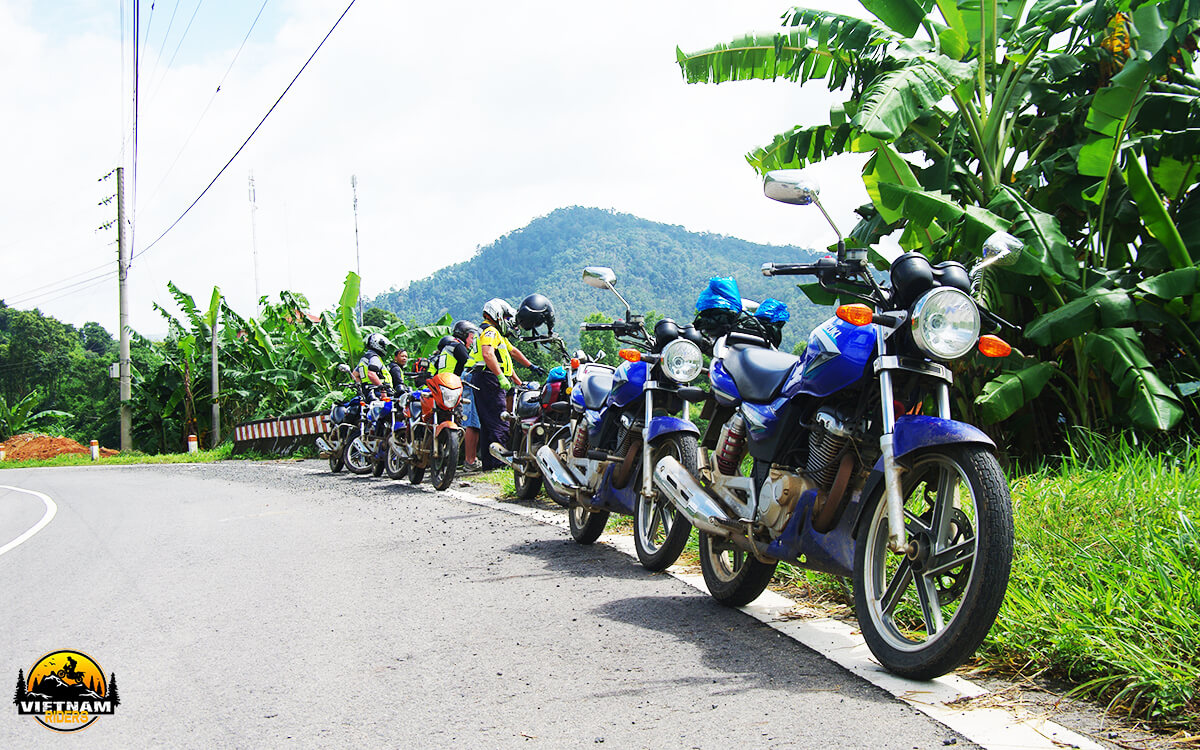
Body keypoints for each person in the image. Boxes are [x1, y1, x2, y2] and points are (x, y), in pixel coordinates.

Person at [466, 299, 543, 470]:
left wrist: (530, 367)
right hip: (489, 379)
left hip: (485, 378)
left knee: (488, 423)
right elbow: (488, 355)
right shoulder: (490, 331)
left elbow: (512, 353)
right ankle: (500, 463)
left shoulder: (492, 332)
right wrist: (500, 377)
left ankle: (489, 464)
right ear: (498, 314)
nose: (508, 321)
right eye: (507, 316)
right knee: (500, 421)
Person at [430, 321, 483, 470]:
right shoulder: (457, 346)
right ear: (464, 335)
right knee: (464, 421)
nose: (472, 341)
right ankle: (469, 460)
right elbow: (469, 364)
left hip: (440, 387)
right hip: (451, 388)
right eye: (471, 337)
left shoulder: (447, 348)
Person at [351, 333, 394, 398]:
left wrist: (362, 389)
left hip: (368, 392)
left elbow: (355, 375)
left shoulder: (364, 358)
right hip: (378, 392)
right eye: (383, 345)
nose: (384, 347)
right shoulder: (374, 357)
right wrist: (383, 391)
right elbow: (371, 374)